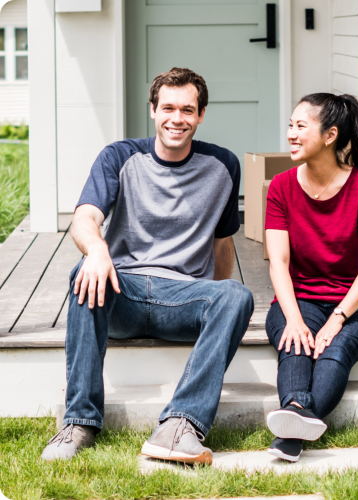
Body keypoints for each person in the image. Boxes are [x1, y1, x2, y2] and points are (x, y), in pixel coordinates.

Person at [41, 68, 254, 465]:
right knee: (82, 273)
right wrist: (97, 252)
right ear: (153, 110)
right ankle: (80, 422)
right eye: (168, 108)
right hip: (124, 292)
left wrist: (214, 308)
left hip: (183, 298)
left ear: (201, 114)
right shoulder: (119, 156)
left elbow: (222, 245)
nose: (177, 118)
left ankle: (179, 425)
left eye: (187, 110)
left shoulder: (223, 165)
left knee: (236, 295)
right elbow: (85, 219)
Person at [264, 93, 358, 462]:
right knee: (295, 345)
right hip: (299, 297)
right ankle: (299, 413)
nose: (291, 133)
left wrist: (337, 319)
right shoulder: (281, 187)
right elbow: (278, 262)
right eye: (290, 124)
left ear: (330, 135)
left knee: (334, 352)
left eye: (301, 126)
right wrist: (293, 318)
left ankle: (294, 426)